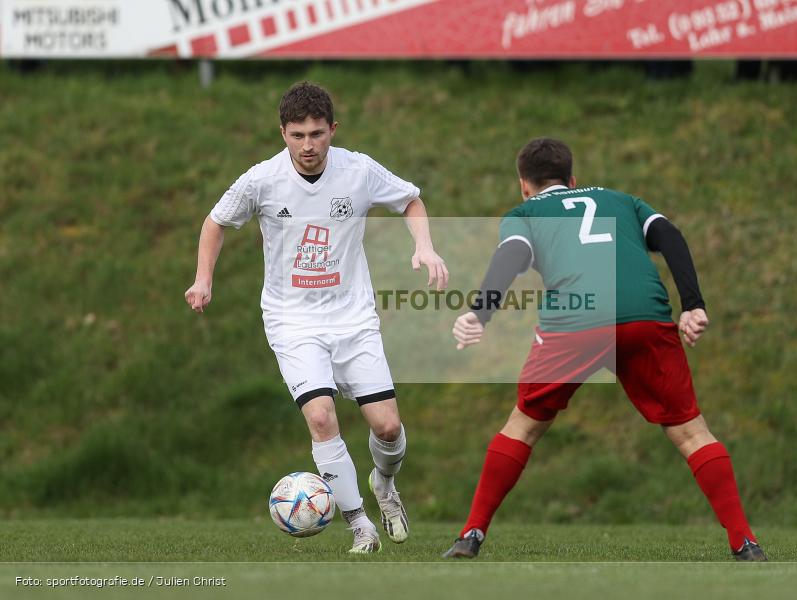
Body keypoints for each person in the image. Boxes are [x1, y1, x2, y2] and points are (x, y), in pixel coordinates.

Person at [443, 138, 765, 561]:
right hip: (644, 316)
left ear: (523, 184)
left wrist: (479, 314)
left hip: (575, 322)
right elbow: (670, 235)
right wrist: (693, 305)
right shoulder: (623, 201)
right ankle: (744, 541)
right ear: (573, 179)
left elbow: (514, 255)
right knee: (691, 431)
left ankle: (471, 534)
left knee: (523, 426)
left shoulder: (525, 213)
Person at [185, 81, 448, 553]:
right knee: (322, 416)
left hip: (353, 317)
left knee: (387, 426)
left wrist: (424, 247)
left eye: (318, 134)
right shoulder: (261, 180)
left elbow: (410, 199)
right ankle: (359, 524)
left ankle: (384, 487)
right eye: (297, 135)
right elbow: (216, 221)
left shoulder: (358, 170)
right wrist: (204, 278)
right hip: (292, 321)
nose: (308, 146)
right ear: (282, 132)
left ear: (333, 130)